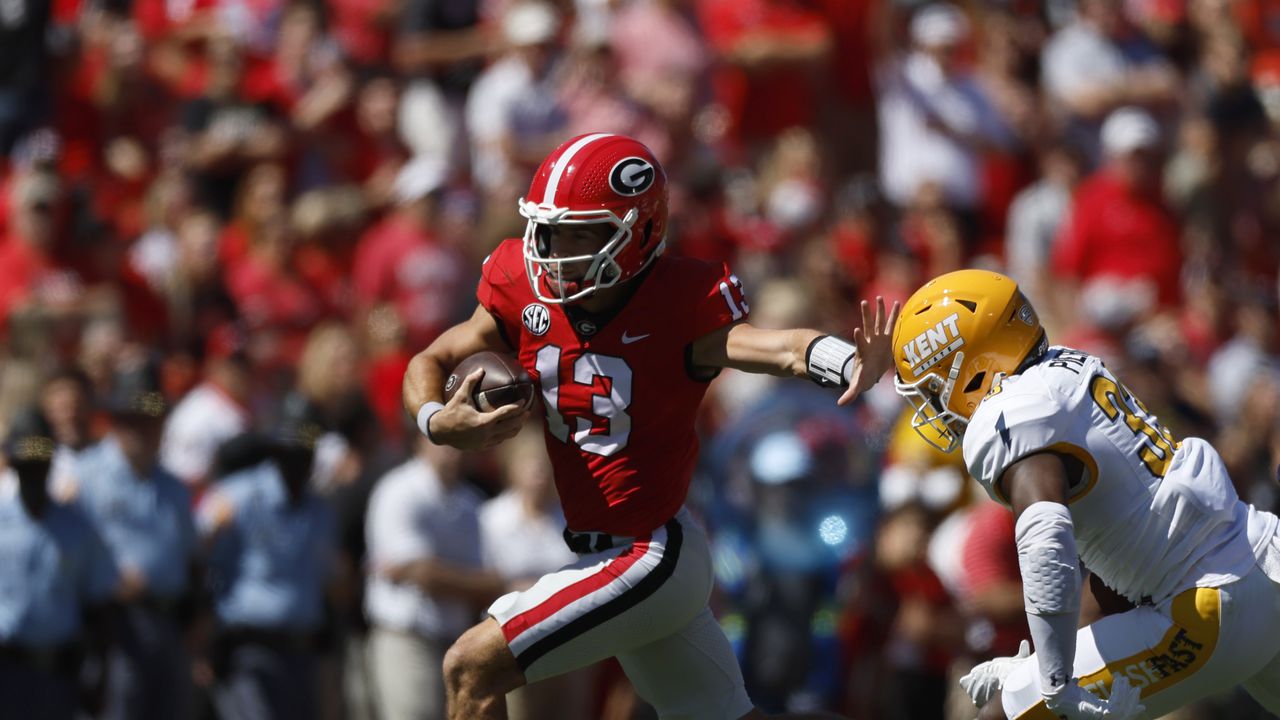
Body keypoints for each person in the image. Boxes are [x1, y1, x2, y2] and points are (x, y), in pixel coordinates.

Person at [402, 132, 900, 720]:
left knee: (471, 665)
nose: (555, 252)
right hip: (613, 553)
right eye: (549, 231)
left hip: (648, 552)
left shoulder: (678, 304)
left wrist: (849, 360)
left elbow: (785, 348)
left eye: (580, 233)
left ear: (636, 233)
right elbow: (429, 358)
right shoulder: (524, 286)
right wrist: (436, 420)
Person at [888, 269, 1280, 720]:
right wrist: (1040, 661)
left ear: (973, 370)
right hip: (1261, 563)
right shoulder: (1066, 367)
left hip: (1209, 606)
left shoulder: (1007, 415)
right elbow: (1116, 574)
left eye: (934, 389)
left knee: (1007, 715)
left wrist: (1052, 676)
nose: (934, 408)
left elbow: (1044, 536)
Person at [71, 358, 199, 720]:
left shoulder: (173, 487)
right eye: (133, 420)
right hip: (113, 626)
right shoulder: (85, 477)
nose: (142, 430)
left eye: (150, 421)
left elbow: (190, 557)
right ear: (117, 421)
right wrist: (106, 578)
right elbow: (64, 552)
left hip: (169, 622)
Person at [0, 408, 120, 720]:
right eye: (26, 467)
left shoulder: (77, 529)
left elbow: (98, 605)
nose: (33, 476)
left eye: (39, 466)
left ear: (51, 463)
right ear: (11, 463)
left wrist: (101, 674)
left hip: (59, 670)